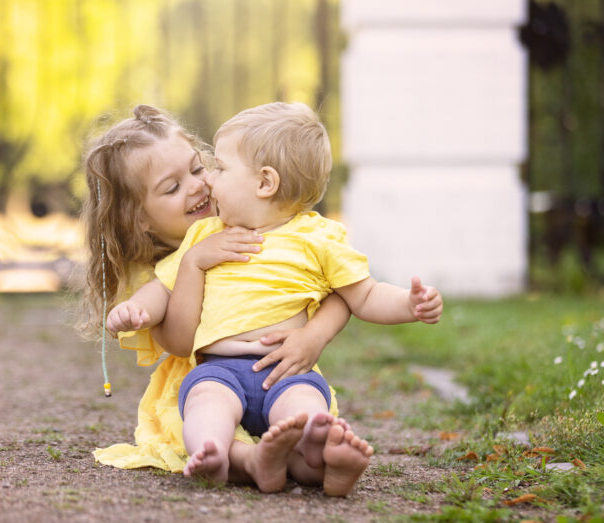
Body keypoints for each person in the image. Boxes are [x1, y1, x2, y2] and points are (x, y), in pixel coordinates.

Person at [108, 102, 443, 496]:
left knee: (304, 409)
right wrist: (137, 309)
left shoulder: (319, 238)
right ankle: (212, 454)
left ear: (265, 183)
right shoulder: (205, 237)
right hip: (220, 369)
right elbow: (162, 289)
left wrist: (409, 304)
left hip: (289, 372)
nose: (209, 182)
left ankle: (325, 457)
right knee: (204, 404)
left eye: (217, 169)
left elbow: (363, 294)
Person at [84, 105, 354, 485]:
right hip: (210, 381)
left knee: (298, 419)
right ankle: (251, 460)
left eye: (198, 169)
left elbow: (345, 290)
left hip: (280, 374)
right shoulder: (175, 262)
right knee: (199, 419)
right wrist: (191, 264)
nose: (198, 185)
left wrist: (314, 335)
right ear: (139, 217)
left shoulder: (262, 222)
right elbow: (179, 339)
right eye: (173, 187)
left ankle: (313, 460)